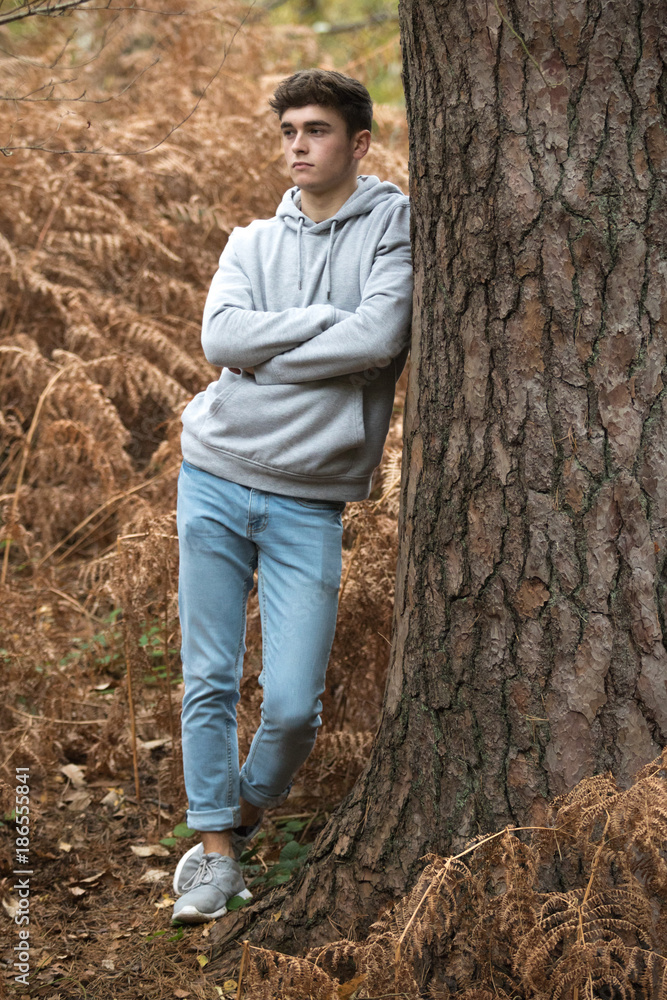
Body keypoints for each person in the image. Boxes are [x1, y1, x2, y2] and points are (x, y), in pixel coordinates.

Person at [171, 68, 413, 923]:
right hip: (212, 472)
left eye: (316, 130)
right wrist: (322, 322)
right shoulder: (249, 242)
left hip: (308, 495)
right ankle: (211, 853)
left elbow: (380, 335)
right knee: (207, 677)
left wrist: (266, 351)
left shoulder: (393, 225)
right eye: (288, 132)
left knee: (291, 705)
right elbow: (217, 339)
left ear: (358, 141)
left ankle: (241, 809)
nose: (298, 147)